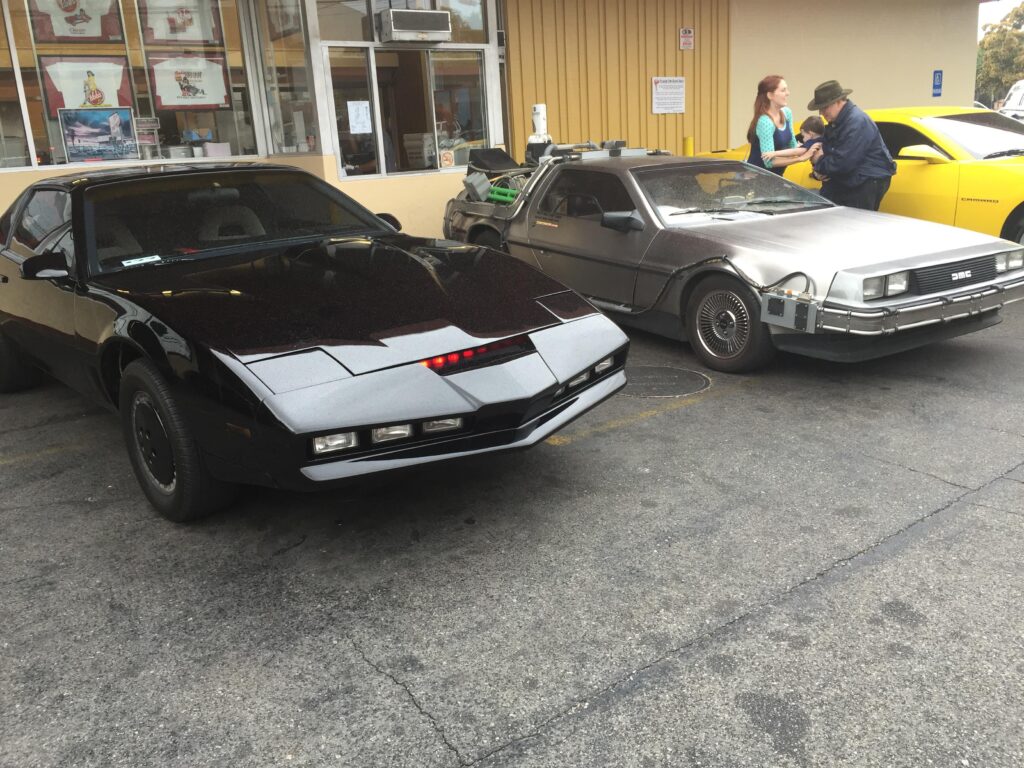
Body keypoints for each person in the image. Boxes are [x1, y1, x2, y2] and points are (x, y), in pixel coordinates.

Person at [805, 80, 896, 210]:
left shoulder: (856, 122)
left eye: (825, 107)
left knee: (856, 225)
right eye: (820, 109)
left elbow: (842, 163)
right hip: (855, 180)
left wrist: (819, 161)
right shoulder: (841, 121)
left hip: (864, 182)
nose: (821, 113)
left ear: (839, 101)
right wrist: (820, 168)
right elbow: (832, 154)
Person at [746, 75, 799, 175]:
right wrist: (800, 158)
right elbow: (769, 162)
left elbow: (793, 146)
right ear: (770, 95)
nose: (788, 93)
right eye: (783, 90)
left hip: (776, 179)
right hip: (757, 180)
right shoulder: (765, 122)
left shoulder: (787, 113)